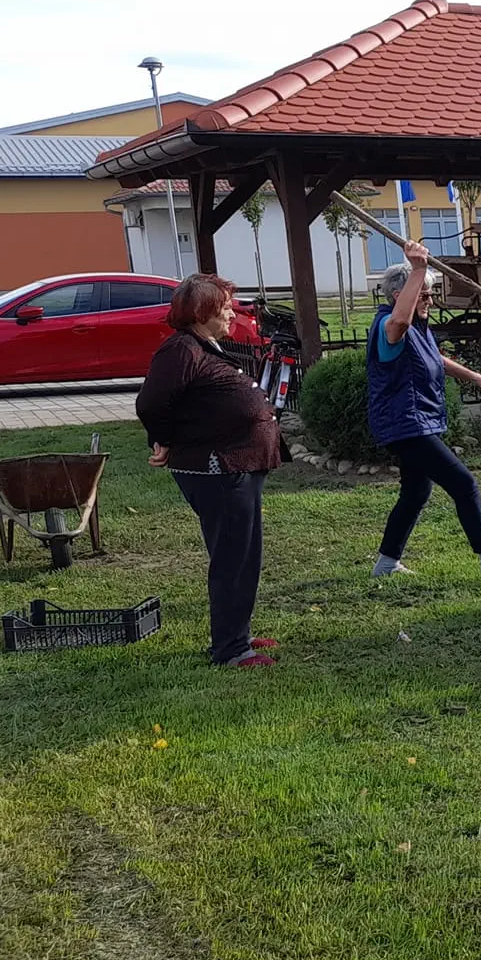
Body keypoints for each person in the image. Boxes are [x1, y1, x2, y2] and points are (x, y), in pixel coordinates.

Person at [136, 273, 283, 667]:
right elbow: (151, 404)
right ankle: (231, 649)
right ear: (201, 313)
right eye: (225, 308)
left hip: (236, 465)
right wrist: (164, 439)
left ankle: (238, 634)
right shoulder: (180, 350)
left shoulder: (203, 345)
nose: (232, 314)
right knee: (233, 557)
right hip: (217, 468)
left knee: (244, 553)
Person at [368, 243, 481, 583]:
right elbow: (399, 322)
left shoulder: (418, 329)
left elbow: (435, 358)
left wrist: (478, 378)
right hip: (406, 423)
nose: (431, 301)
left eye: (430, 294)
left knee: (416, 492)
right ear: (400, 296)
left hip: (416, 421)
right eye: (425, 295)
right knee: (464, 484)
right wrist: (417, 269)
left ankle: (386, 564)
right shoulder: (389, 326)